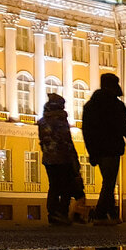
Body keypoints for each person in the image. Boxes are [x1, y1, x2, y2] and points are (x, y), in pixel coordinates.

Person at [81, 73, 126, 225]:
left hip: (98, 149)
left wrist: (91, 151)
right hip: (112, 148)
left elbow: (86, 131)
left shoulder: (90, 106)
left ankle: (111, 213)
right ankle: (100, 214)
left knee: (109, 180)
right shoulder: (117, 105)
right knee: (109, 181)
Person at [37, 93, 88, 225]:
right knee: (65, 186)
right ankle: (62, 213)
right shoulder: (60, 121)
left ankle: (52, 213)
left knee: (53, 185)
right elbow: (67, 141)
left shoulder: (43, 121)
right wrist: (74, 160)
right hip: (63, 158)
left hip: (48, 159)